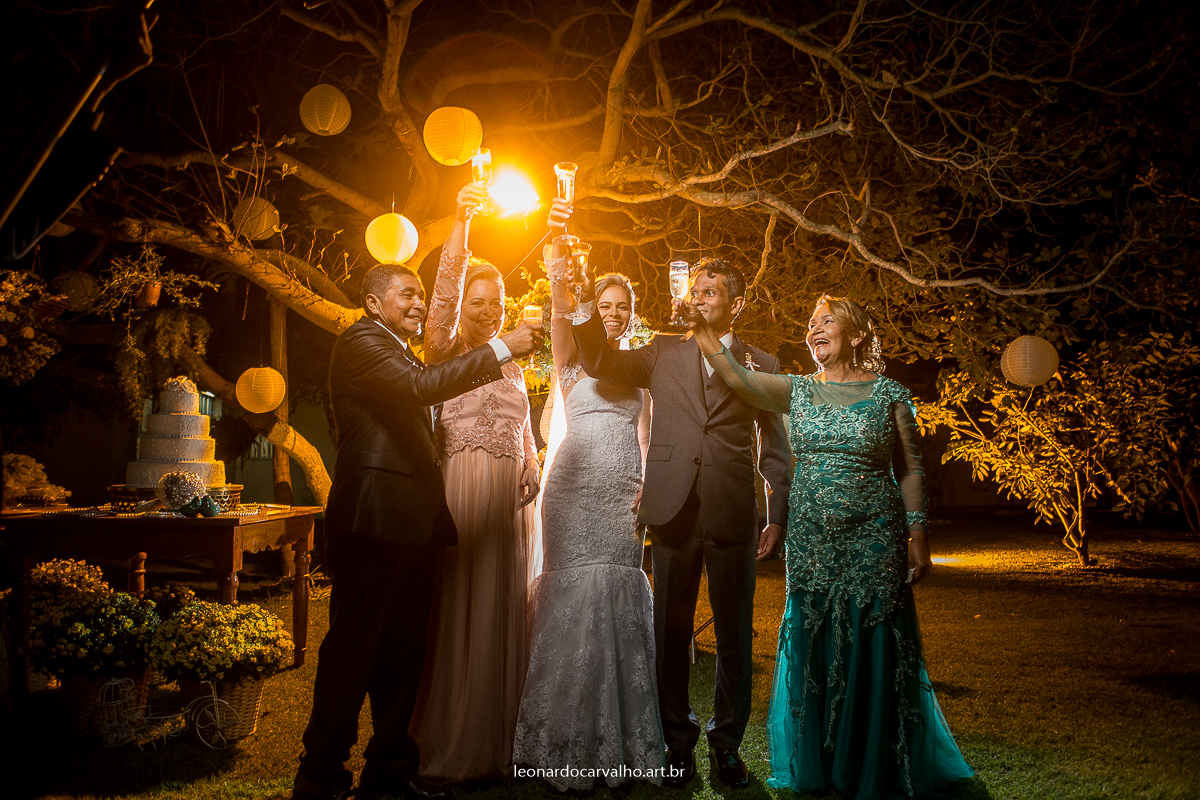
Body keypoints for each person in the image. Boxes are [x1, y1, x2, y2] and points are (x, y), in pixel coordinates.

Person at [679, 293, 975, 799]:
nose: (814, 329)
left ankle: (874, 758)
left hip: (874, 535)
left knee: (872, 635)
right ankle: (822, 755)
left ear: (856, 335)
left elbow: (910, 469)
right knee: (814, 635)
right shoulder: (795, 390)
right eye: (811, 323)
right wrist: (701, 326)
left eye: (826, 321)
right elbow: (736, 376)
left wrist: (918, 535)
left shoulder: (890, 395)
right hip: (813, 536)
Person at [292, 263, 543, 800]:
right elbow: (421, 388)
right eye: (406, 294)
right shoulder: (362, 341)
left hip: (415, 523)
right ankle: (321, 775)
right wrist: (504, 346)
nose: (417, 303)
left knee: (404, 653)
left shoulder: (401, 349)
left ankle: (390, 771)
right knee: (354, 651)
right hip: (375, 519)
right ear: (373, 302)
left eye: (420, 294)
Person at [571, 252, 792, 789]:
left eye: (710, 292)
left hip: (732, 511)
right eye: (695, 291)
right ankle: (677, 743)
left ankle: (727, 746)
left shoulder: (762, 361)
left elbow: (775, 445)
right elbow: (598, 361)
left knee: (735, 635)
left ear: (736, 303)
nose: (699, 299)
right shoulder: (661, 350)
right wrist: (581, 300)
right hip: (671, 509)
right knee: (670, 633)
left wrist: (777, 515)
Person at [511, 201, 663, 790]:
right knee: (570, 596)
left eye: (623, 307)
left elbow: (646, 436)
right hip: (571, 489)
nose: (615, 313)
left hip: (622, 488)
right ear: (592, 311)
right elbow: (558, 309)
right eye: (605, 305)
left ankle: (619, 738)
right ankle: (559, 738)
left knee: (618, 593)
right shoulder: (570, 354)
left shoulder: (641, 367)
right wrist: (559, 253)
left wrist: (647, 489)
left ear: (632, 314)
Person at [409, 183, 542, 783]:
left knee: (504, 608)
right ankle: (455, 738)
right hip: (462, 491)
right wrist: (462, 221)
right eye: (478, 301)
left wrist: (532, 459)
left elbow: (524, 423)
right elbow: (441, 294)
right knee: (461, 604)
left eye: (497, 301)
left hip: (511, 501)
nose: (489, 310)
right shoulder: (446, 349)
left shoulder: (511, 363)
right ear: (462, 305)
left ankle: (502, 740)